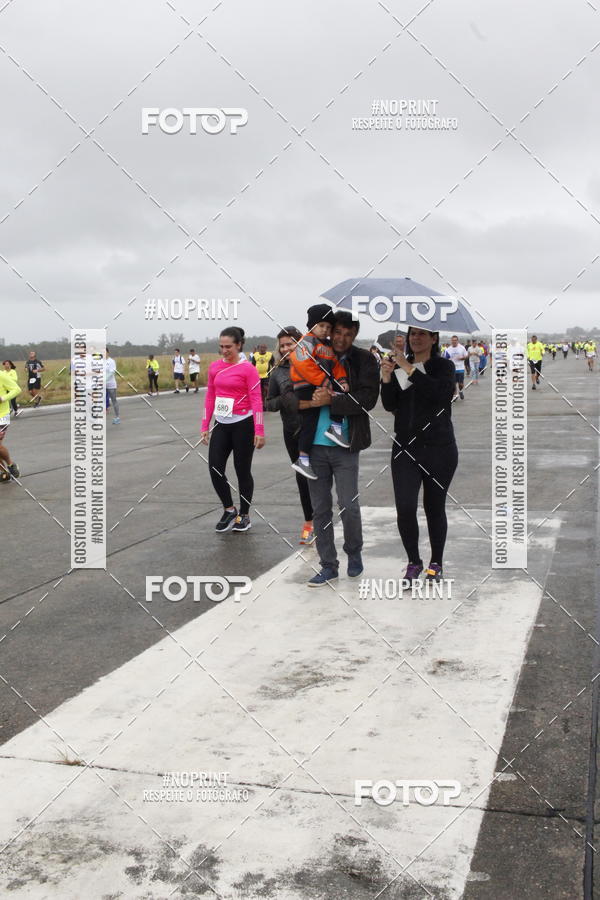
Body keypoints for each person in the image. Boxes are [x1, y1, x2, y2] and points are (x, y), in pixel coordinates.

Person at [299, 311, 379, 586]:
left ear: (355, 335)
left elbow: (368, 398)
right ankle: (328, 565)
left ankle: (354, 552)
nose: (342, 339)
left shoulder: (365, 359)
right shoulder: (314, 353)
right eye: (338, 333)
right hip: (313, 446)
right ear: (330, 331)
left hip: (346, 444)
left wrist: (331, 400)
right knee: (320, 509)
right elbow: (291, 387)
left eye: (348, 334)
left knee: (347, 504)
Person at [381, 326, 458, 582]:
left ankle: (436, 562)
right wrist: (387, 377)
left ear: (434, 338)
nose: (416, 338)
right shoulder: (399, 365)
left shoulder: (444, 367)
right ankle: (414, 561)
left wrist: (408, 367)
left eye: (422, 334)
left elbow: (440, 395)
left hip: (439, 448)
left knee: (434, 507)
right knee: (405, 507)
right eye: (412, 334)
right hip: (406, 447)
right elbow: (390, 404)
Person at [200, 327, 265, 533]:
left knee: (242, 470)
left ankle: (244, 515)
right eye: (221, 346)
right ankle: (229, 509)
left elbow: (256, 399)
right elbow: (210, 396)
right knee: (215, 468)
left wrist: (259, 429)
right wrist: (205, 425)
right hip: (221, 423)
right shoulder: (214, 367)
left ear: (239, 345)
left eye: (228, 346)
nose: (224, 350)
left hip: (243, 424)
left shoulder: (248, 369)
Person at [266, 326, 315, 545]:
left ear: (300, 343)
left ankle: (323, 517)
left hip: (315, 428)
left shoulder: (314, 364)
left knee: (320, 476)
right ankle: (309, 522)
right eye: (282, 345)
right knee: (302, 477)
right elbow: (269, 403)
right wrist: (284, 397)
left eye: (290, 344)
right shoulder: (277, 372)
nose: (286, 348)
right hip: (292, 431)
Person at [290, 304, 349, 479]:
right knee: (336, 397)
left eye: (328, 327)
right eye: (321, 325)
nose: (325, 330)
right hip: (305, 385)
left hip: (320, 383)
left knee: (310, 423)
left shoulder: (328, 346)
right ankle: (335, 427)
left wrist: (342, 380)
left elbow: (336, 366)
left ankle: (303, 458)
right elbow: (302, 364)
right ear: (311, 325)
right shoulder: (306, 342)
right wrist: (324, 381)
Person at [0, 368, 22, 482]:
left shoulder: (1, 375)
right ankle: (4, 472)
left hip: (2, 415)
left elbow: (16, 389)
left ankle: (10, 465)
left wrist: (3, 398)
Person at [251, 344, 274, 410]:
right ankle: (262, 405)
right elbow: (252, 366)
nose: (262, 349)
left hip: (266, 375)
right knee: (260, 391)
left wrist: (275, 371)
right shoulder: (255, 355)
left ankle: (267, 403)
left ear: (266, 348)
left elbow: (273, 364)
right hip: (257, 376)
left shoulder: (269, 355)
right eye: (261, 347)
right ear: (258, 348)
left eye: (264, 347)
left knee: (266, 390)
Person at [444, 335, 467, 399]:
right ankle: (455, 395)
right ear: (451, 341)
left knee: (460, 384)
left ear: (457, 341)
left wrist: (461, 358)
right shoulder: (448, 349)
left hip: (460, 368)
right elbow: (445, 359)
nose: (454, 341)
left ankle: (461, 391)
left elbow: (466, 356)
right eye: (453, 340)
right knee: (453, 383)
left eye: (455, 340)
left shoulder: (462, 348)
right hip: (452, 369)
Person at [105, 349, 120, 424]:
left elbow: (112, 372)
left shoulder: (111, 361)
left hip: (111, 384)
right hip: (102, 385)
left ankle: (117, 417)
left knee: (114, 400)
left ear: (108, 352)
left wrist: (104, 379)